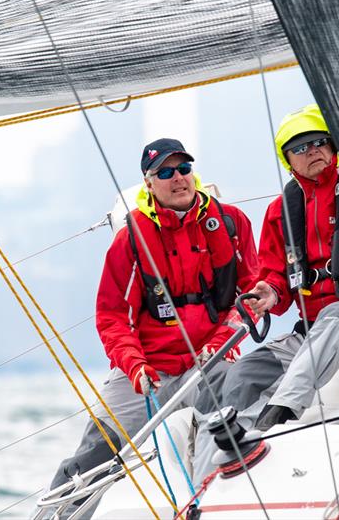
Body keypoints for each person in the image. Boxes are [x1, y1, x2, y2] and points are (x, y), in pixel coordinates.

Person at [49, 138, 259, 494]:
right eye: (165, 172)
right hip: (150, 369)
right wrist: (134, 366)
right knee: (94, 452)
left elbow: (252, 295)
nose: (177, 178)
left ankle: (214, 505)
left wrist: (223, 342)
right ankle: (61, 510)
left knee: (243, 426)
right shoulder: (131, 238)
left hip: (210, 360)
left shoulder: (229, 223)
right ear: (149, 183)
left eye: (183, 168)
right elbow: (112, 316)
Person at [227, 104, 339, 431]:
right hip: (315, 330)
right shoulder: (280, 211)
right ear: (288, 160)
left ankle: (280, 412)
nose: (311, 151)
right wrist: (268, 291)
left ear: (333, 146)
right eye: (299, 148)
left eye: (318, 142)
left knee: (337, 318)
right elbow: (274, 273)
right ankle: (234, 455)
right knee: (246, 372)